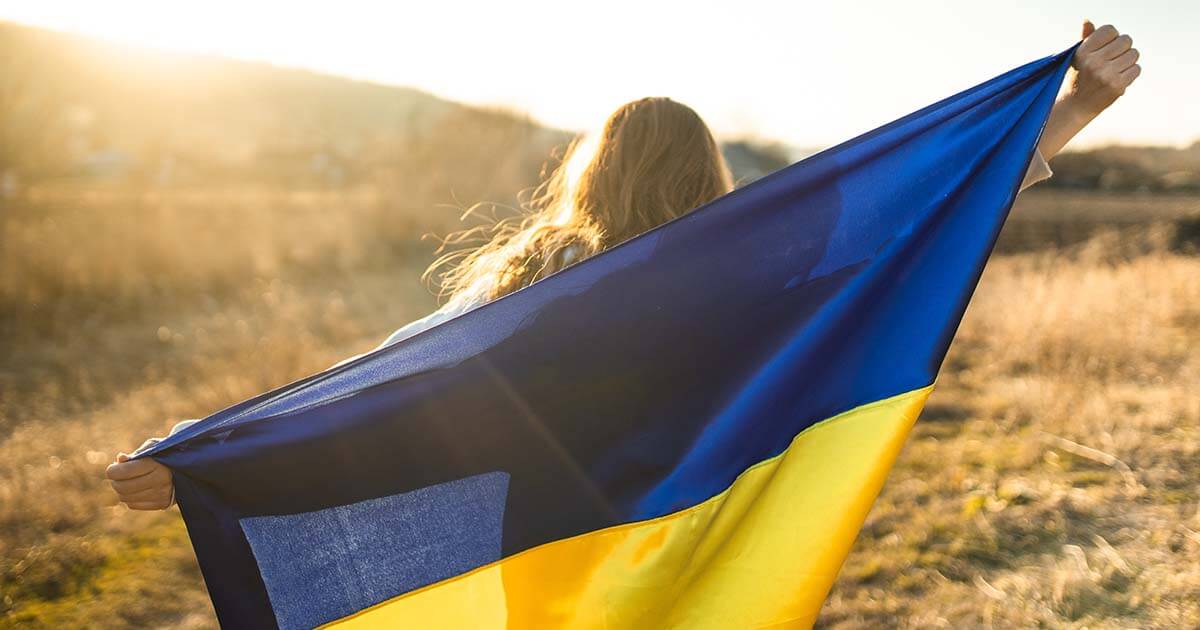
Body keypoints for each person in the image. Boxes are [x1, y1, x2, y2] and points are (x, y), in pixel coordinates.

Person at [106, 21, 1140, 511]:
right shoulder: (752, 272)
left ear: (589, 173)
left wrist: (195, 452)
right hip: (695, 522)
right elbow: (932, 212)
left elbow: (392, 380)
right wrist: (1080, 106)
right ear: (712, 173)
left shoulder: (533, 273)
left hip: (549, 529)